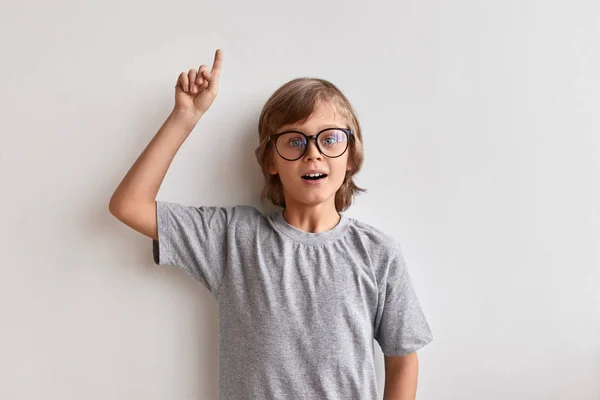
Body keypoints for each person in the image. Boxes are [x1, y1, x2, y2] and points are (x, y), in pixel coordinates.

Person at [109, 48, 433, 400]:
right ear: (271, 161)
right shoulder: (233, 239)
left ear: (351, 156)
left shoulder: (377, 253)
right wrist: (185, 116)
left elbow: (403, 358)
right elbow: (129, 205)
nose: (313, 153)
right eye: (294, 141)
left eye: (330, 139)